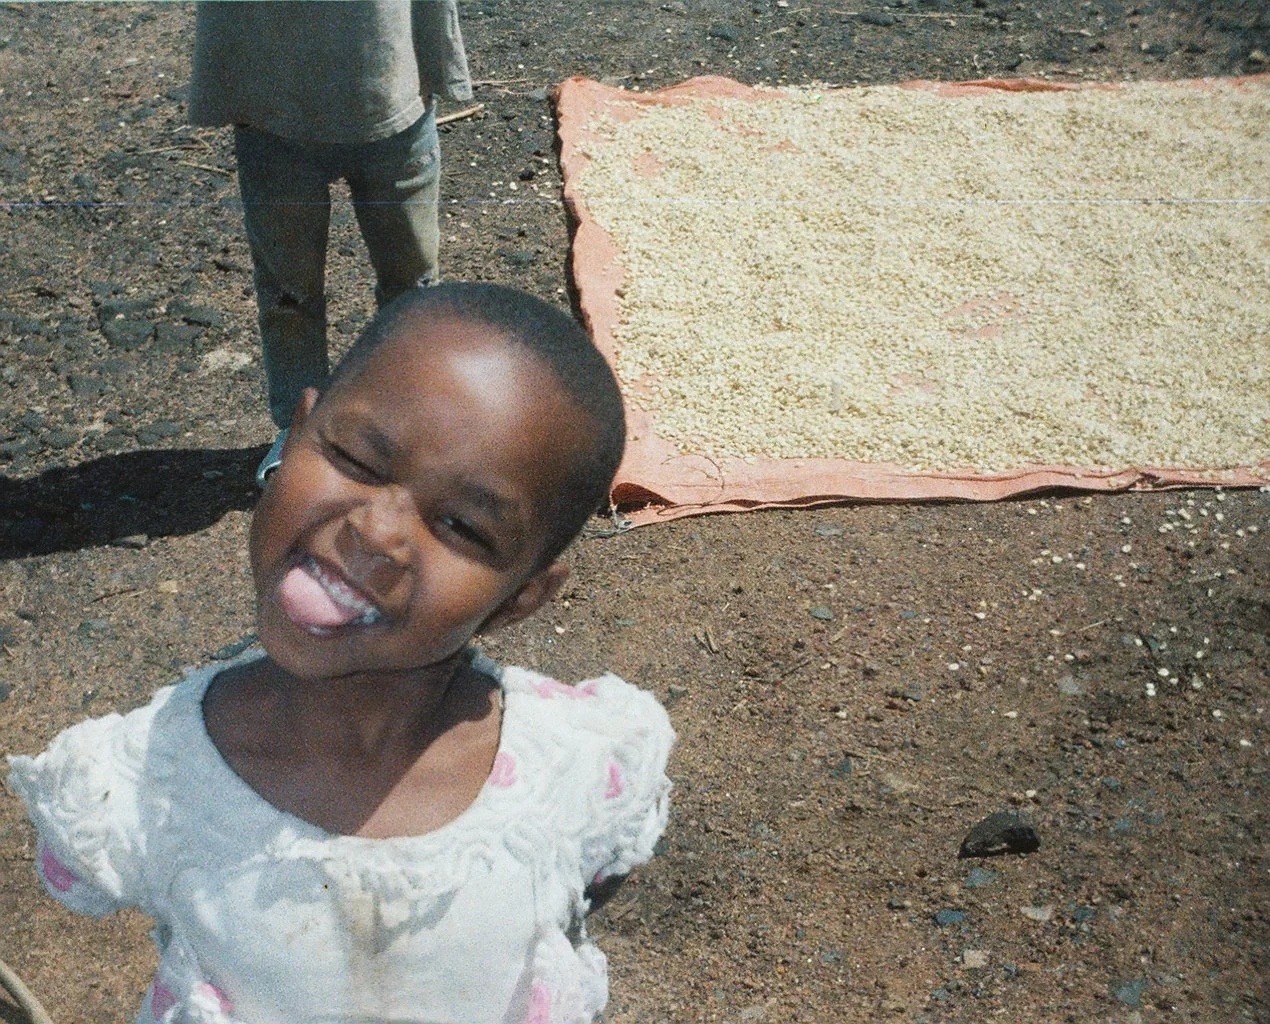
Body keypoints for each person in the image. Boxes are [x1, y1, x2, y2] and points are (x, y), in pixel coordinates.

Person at [8, 284, 674, 1024]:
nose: (378, 531)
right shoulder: (146, 779)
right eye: (356, 457)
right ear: (295, 436)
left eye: (462, 526)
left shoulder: (572, 765)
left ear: (520, 598)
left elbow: (588, 883)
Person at [187, 1, 472, 485]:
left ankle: (403, 421)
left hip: (391, 92)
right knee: (288, 289)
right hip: (274, 104)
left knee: (412, 281)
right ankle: (299, 427)